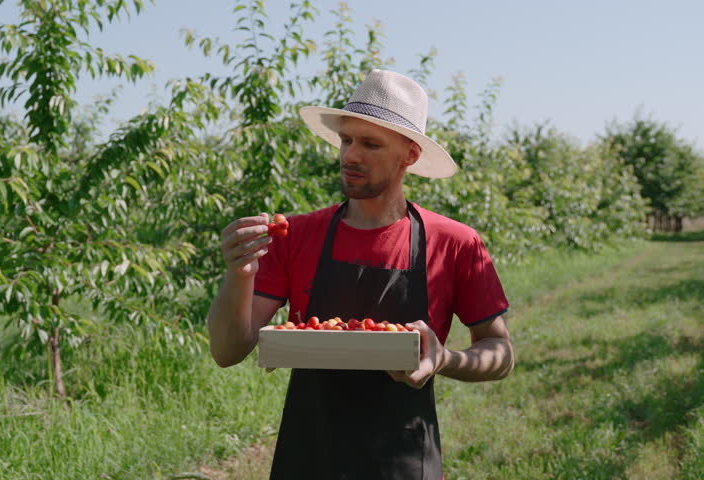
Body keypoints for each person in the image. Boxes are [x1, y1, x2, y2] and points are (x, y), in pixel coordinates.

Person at [207, 69, 514, 480]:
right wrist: (240, 274)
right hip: (308, 456)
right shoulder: (297, 236)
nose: (350, 155)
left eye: (370, 144)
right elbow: (228, 352)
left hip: (404, 460)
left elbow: (501, 352)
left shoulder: (454, 243)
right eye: (346, 139)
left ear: (410, 155)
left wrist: (445, 359)